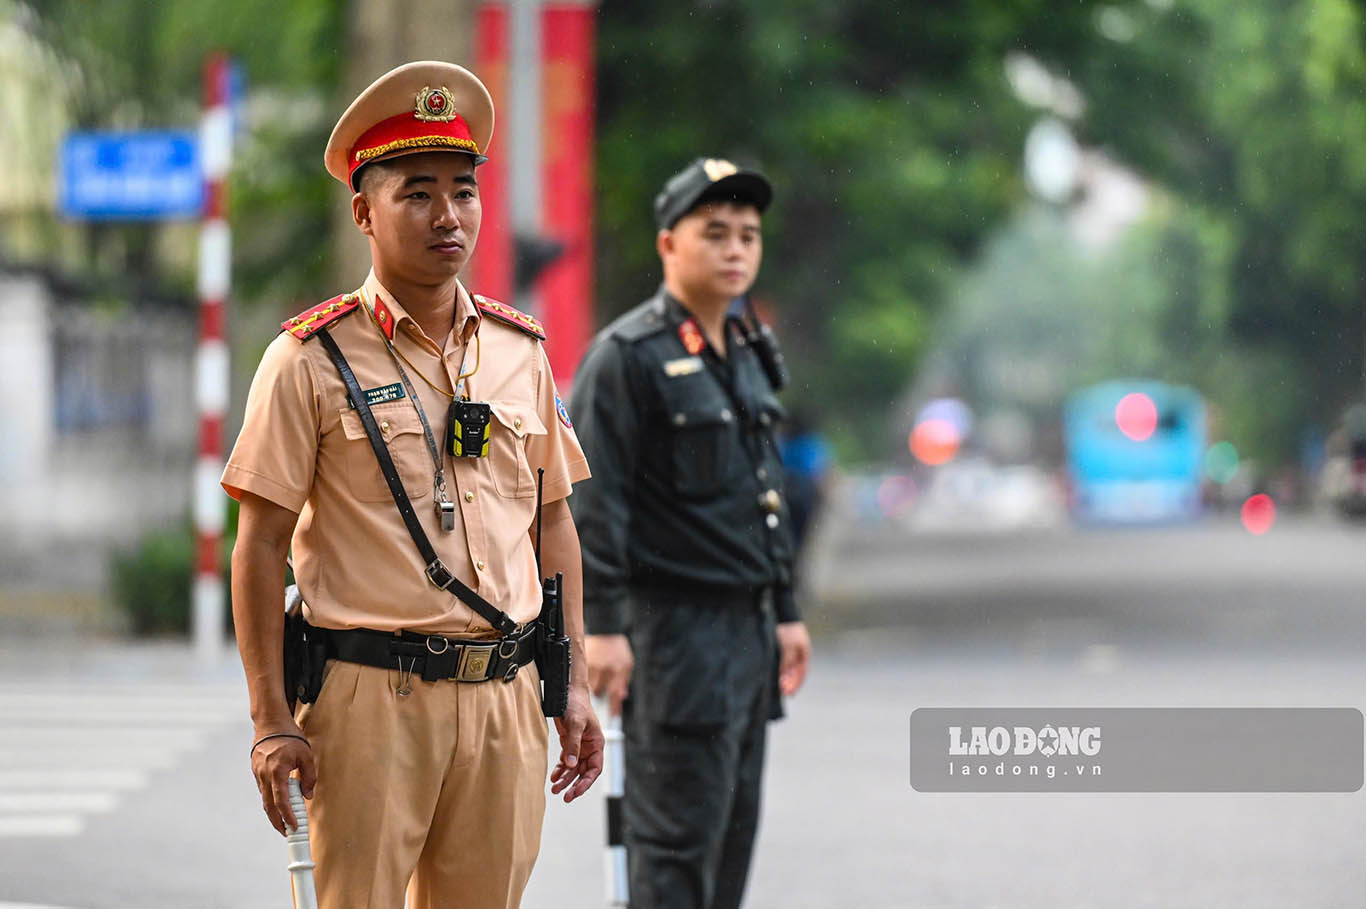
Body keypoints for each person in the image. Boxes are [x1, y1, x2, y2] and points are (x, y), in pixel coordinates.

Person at [222, 61, 602, 909]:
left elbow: (554, 526)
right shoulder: (306, 361)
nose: (448, 216)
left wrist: (570, 680)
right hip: (367, 700)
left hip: (505, 695)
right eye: (417, 193)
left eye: (463, 192)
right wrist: (271, 720)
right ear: (364, 211)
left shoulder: (519, 351)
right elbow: (259, 549)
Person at [568, 157, 813, 908]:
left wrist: (786, 608)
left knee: (731, 839)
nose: (736, 249)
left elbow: (760, 494)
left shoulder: (743, 353)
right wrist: (602, 627)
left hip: (746, 631)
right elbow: (590, 497)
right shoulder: (626, 357)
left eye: (748, 234)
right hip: (673, 633)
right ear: (669, 244)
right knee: (674, 854)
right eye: (716, 233)